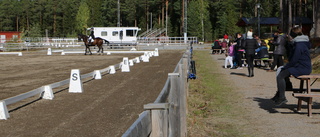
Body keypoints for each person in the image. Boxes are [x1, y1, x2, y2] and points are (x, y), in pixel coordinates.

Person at [271, 26, 312, 106]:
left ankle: (282, 97)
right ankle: (285, 89)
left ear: (293, 35)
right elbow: (291, 58)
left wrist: (286, 67)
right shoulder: (299, 43)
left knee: (281, 75)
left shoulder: (299, 45)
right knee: (282, 70)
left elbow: (294, 60)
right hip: (300, 66)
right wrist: (289, 46)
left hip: (302, 68)